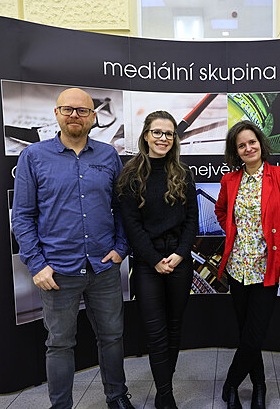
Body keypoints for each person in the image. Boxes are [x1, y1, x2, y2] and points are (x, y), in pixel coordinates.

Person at [11, 88, 133, 409]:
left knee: (112, 338)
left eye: (82, 110)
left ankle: (117, 397)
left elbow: (122, 208)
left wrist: (121, 247)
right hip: (57, 272)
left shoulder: (108, 156)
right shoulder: (34, 156)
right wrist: (37, 265)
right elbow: (22, 216)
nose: (75, 115)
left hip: (103, 268)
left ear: (93, 117)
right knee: (60, 344)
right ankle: (61, 406)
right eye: (68, 109)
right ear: (56, 113)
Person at [215, 121, 280, 409]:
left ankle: (231, 384)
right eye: (241, 145)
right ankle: (259, 385)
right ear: (236, 151)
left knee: (255, 333)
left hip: (267, 269)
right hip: (237, 268)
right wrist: (232, 231)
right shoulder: (230, 180)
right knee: (247, 333)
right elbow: (221, 211)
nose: (248, 148)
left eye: (252, 142)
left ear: (261, 143)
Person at [117, 111, 198, 409]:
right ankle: (166, 395)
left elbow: (192, 220)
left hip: (179, 261)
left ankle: (164, 390)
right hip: (147, 264)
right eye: (157, 132)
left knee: (175, 327)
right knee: (155, 332)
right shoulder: (130, 175)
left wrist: (180, 254)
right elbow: (131, 225)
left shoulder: (183, 173)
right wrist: (154, 260)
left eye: (169, 133)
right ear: (146, 135)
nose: (164, 138)